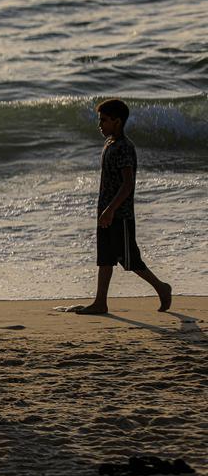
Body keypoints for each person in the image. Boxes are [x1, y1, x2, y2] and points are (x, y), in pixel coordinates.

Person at [76, 99, 171, 315]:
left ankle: (161, 287)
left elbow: (128, 184)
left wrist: (110, 210)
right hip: (106, 212)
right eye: (100, 120)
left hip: (120, 214)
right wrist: (104, 211)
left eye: (104, 120)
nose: (100, 125)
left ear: (117, 121)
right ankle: (100, 302)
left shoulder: (124, 147)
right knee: (105, 258)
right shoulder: (110, 143)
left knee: (129, 260)